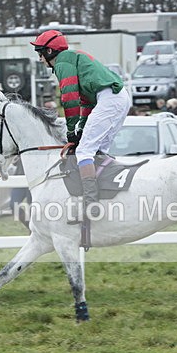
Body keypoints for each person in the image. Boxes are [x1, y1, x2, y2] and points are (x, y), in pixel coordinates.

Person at [30, 29, 131, 221]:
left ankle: (91, 206)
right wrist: (81, 127)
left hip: (109, 99)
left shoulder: (63, 62)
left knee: (85, 151)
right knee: (98, 150)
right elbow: (86, 103)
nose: (40, 58)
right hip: (116, 98)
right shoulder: (71, 59)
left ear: (50, 51)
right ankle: (108, 196)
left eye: (40, 52)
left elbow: (69, 98)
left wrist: (71, 130)